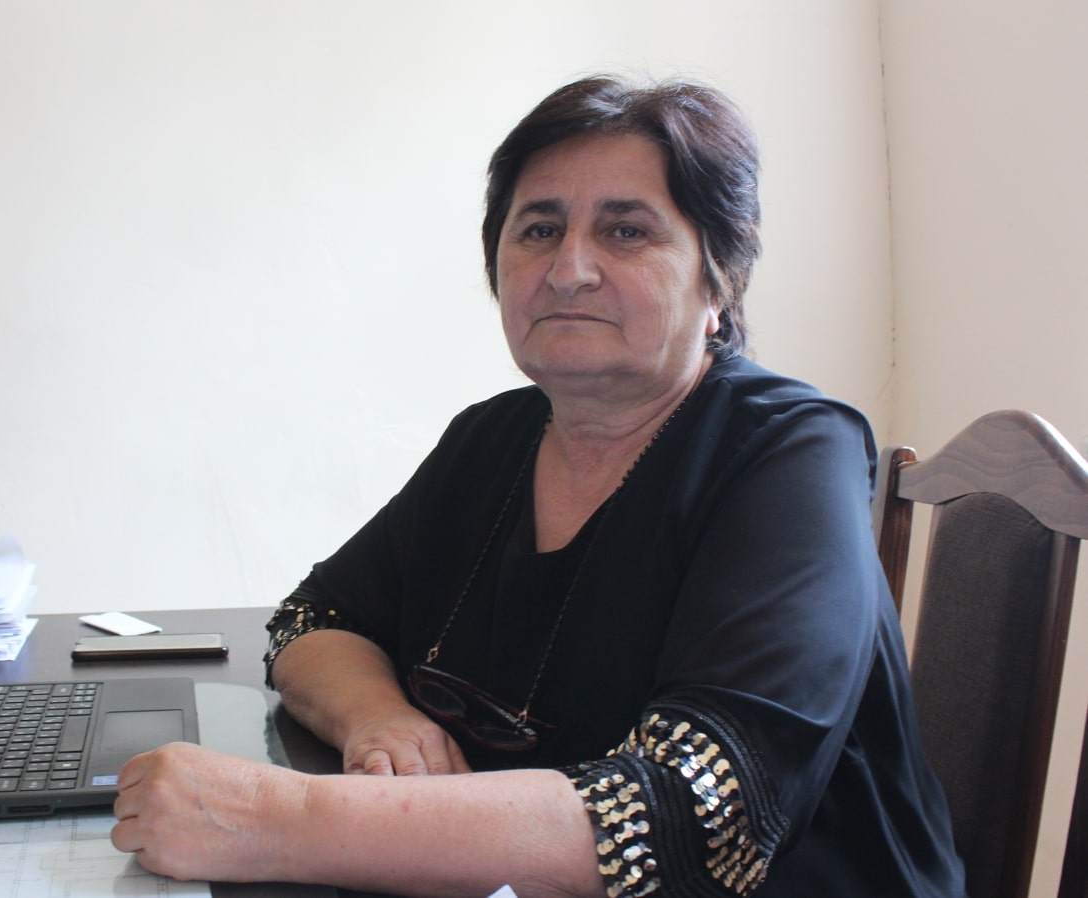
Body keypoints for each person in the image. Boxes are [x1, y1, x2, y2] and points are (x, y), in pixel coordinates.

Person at [111, 76, 964, 897]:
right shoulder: (492, 437)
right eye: (539, 229)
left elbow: (689, 816)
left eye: (625, 231)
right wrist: (377, 717)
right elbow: (316, 617)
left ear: (718, 279)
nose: (568, 269)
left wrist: (272, 819)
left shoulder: (790, 451)